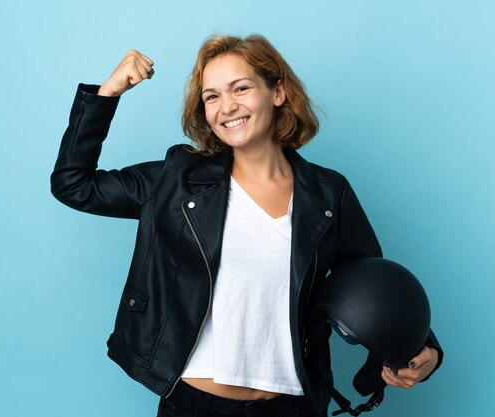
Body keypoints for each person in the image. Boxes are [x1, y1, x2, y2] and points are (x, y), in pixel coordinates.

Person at [51, 34, 443, 417]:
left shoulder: (329, 194)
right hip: (194, 405)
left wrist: (423, 348)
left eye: (240, 88)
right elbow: (74, 185)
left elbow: (371, 285)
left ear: (278, 92)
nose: (226, 107)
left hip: (295, 406)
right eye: (212, 96)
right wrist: (107, 94)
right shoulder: (177, 180)